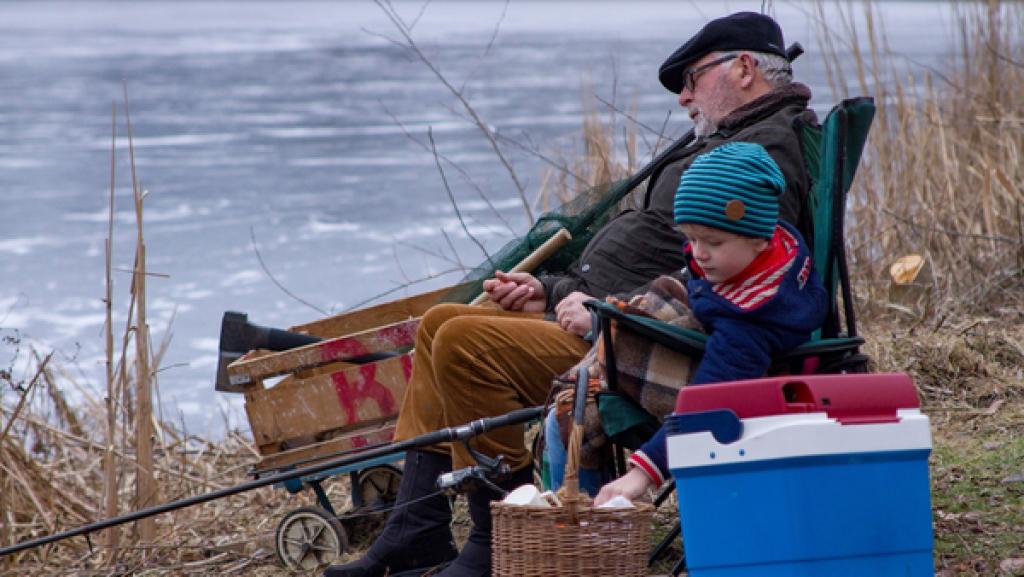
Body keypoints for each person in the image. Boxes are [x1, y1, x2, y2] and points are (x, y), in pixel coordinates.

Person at [325, 11, 818, 577]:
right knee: (440, 322)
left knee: (463, 340)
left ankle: (496, 536)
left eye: (692, 79)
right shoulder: (736, 140)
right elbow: (683, 260)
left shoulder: (763, 155)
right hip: (607, 314)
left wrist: (613, 314)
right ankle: (418, 531)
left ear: (746, 68)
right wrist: (554, 288)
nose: (684, 97)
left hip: (642, 339)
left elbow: (734, 285)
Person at [543, 142, 828, 504]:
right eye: (691, 238)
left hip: (751, 392)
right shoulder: (774, 247)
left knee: (569, 416)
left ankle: (581, 528)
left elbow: (712, 400)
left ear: (758, 239)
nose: (698, 252)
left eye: (712, 241)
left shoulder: (750, 319)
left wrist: (642, 473)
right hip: (716, 352)